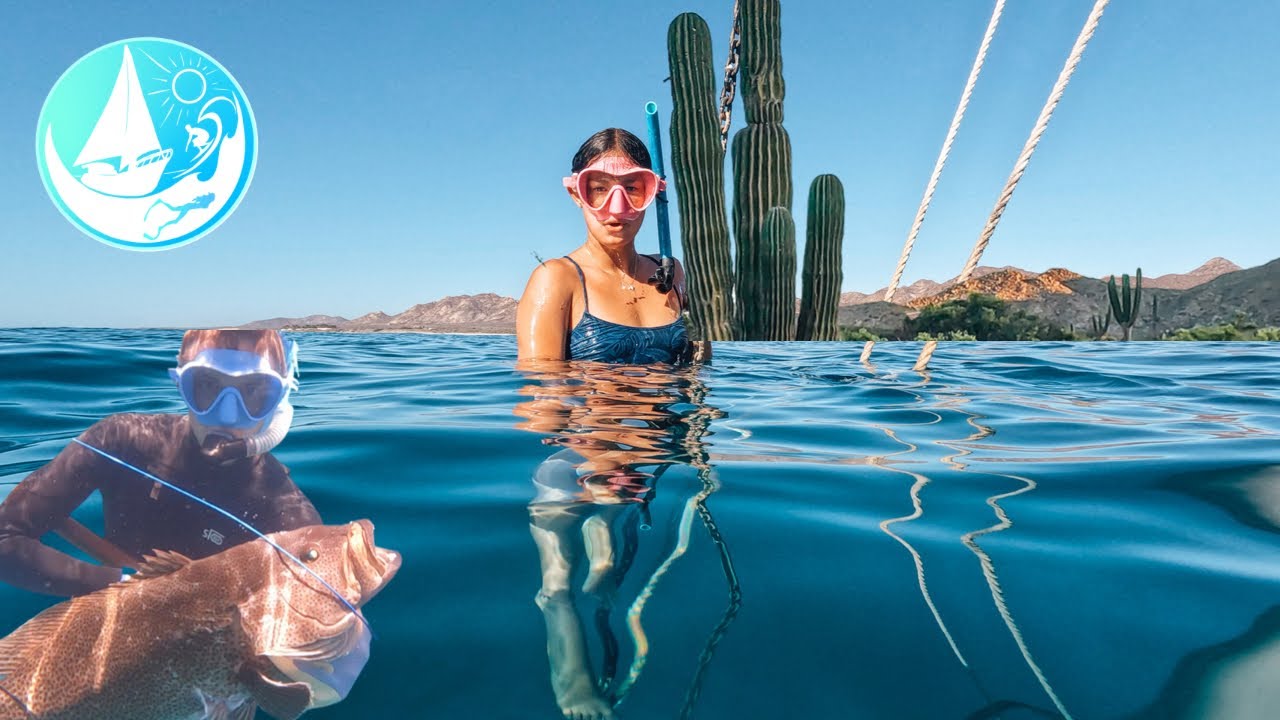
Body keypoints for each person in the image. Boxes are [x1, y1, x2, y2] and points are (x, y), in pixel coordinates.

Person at [0, 328, 321, 597]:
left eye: (255, 392)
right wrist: (122, 588)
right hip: (106, 619)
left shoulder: (283, 509)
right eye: (207, 385)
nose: (227, 414)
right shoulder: (122, 440)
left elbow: (331, 618)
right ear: (181, 384)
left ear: (280, 404)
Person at [517, 128, 704, 365]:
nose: (616, 208)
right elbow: (542, 392)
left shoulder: (671, 270)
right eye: (599, 189)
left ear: (652, 192)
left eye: (632, 188)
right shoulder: (556, 279)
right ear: (576, 194)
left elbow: (698, 367)